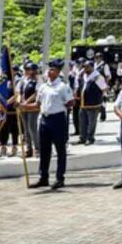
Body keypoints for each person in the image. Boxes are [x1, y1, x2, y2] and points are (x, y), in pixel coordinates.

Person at [31, 60, 74, 191]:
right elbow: (37, 105)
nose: (49, 72)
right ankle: (43, 177)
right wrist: (22, 106)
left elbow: (71, 102)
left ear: (58, 71)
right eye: (49, 69)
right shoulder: (43, 87)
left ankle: (60, 178)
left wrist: (59, 107)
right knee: (44, 150)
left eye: (53, 69)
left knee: (60, 150)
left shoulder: (63, 87)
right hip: (44, 119)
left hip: (58, 119)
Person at [77, 59, 107, 145]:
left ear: (92, 67)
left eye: (87, 67)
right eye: (84, 67)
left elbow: (104, 88)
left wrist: (100, 100)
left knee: (91, 123)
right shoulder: (84, 76)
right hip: (83, 104)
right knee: (82, 122)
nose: (85, 68)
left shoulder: (98, 77)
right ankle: (82, 138)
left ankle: (90, 138)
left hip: (93, 105)